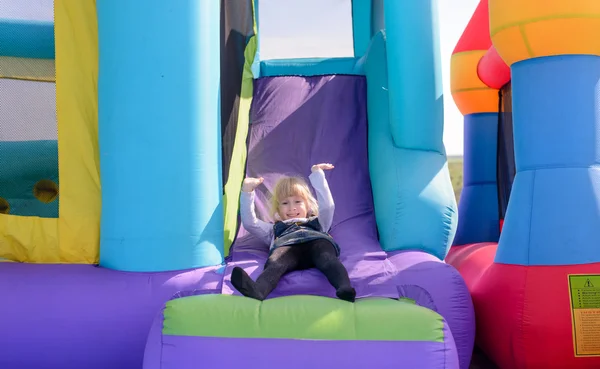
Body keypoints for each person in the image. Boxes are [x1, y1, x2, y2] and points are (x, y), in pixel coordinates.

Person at [231, 163, 356, 302]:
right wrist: (247, 191)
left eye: (298, 201)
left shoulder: (318, 222)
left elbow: (328, 207)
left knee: (327, 258)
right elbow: (250, 223)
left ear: (308, 205)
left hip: (316, 243)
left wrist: (317, 174)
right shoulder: (273, 229)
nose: (292, 208)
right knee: (275, 262)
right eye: (285, 203)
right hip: (287, 248)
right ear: (277, 209)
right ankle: (258, 291)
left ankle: (345, 288)